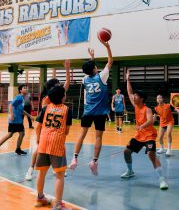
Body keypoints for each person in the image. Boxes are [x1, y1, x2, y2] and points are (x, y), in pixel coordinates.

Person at [68, 40, 113, 175]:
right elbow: (110, 62)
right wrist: (107, 46)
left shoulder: (84, 80)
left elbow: (88, 71)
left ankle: (74, 159)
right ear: (94, 69)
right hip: (100, 113)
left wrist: (91, 59)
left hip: (88, 111)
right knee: (98, 138)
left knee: (82, 135)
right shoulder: (102, 77)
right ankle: (94, 162)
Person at [120, 70, 168, 190]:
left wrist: (141, 126)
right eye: (134, 96)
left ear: (141, 99)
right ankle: (130, 171)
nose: (133, 97)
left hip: (149, 136)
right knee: (126, 151)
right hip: (139, 136)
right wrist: (128, 79)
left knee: (151, 154)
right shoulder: (136, 105)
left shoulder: (147, 109)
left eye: (136, 96)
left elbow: (151, 121)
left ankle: (162, 180)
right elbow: (129, 92)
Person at [25, 60, 71, 181]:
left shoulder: (59, 94)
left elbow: (67, 83)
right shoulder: (46, 99)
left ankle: (61, 169)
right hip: (44, 127)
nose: (61, 85)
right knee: (37, 150)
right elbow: (42, 117)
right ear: (52, 87)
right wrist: (38, 134)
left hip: (56, 129)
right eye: (58, 84)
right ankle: (30, 169)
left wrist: (67, 68)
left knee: (62, 147)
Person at [34, 86, 72, 210]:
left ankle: (40, 198)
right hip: (57, 144)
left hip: (44, 143)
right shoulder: (67, 110)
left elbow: (37, 127)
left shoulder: (45, 108)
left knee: (42, 173)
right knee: (60, 176)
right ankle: (57, 204)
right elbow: (66, 131)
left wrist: (38, 139)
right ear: (63, 97)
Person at [0, 84, 29, 156]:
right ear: (20, 90)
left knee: (19, 134)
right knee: (13, 134)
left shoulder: (22, 99)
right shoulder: (19, 97)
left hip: (18, 120)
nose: (26, 89)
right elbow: (11, 105)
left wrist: (29, 116)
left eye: (26, 88)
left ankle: (17, 149)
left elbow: (21, 110)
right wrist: (11, 115)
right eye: (24, 88)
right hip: (14, 120)